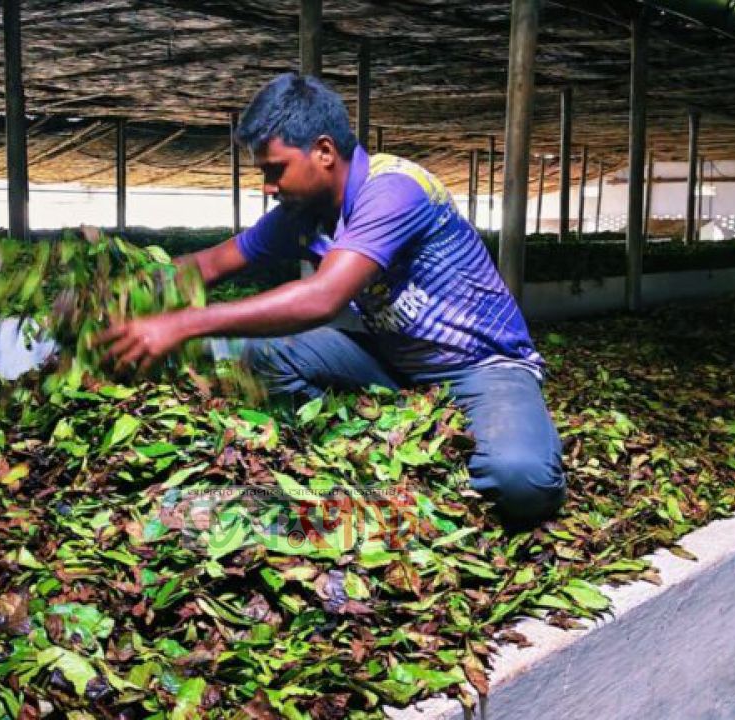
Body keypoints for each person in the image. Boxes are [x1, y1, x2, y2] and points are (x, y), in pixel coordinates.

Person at [95, 73, 565, 526]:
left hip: (481, 367)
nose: (268, 187)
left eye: (275, 170)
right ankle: (365, 444)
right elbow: (212, 264)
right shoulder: (305, 211)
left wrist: (183, 323)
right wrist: (117, 296)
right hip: (392, 363)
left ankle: (448, 464)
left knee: (519, 480)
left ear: (323, 151)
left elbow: (322, 298)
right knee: (255, 358)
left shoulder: (394, 189)